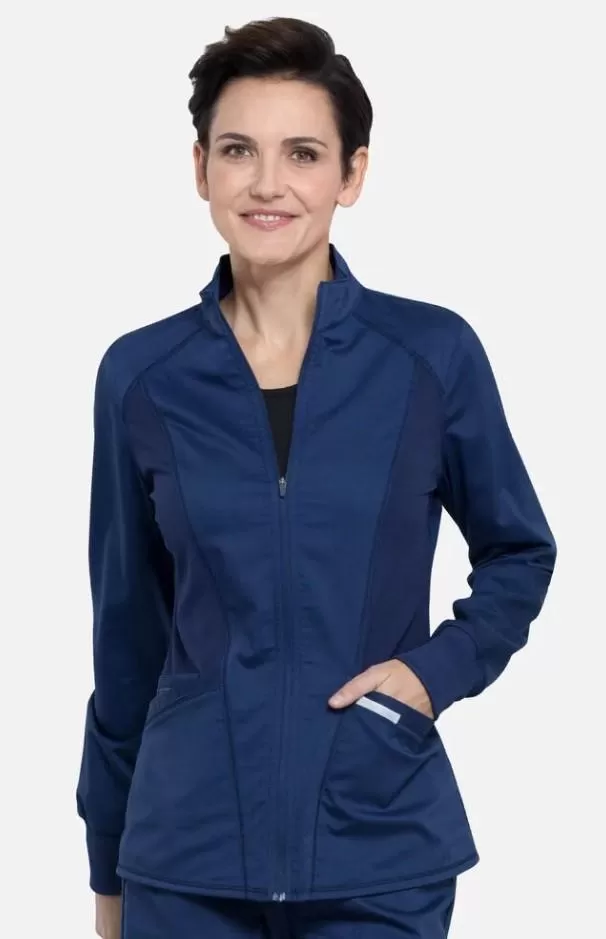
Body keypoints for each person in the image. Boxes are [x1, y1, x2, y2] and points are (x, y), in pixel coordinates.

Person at [76, 16, 557, 939]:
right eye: (238, 150)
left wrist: (429, 676)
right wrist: (108, 861)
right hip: (184, 859)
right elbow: (123, 639)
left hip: (378, 845)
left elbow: (520, 552)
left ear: (352, 174)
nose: (268, 183)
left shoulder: (430, 357)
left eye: (302, 153)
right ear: (201, 169)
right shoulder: (141, 378)